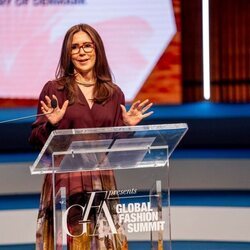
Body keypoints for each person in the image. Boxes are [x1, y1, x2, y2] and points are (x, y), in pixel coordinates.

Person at [29, 23, 153, 250]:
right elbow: (36, 140)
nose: (82, 52)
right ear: (68, 54)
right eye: (75, 47)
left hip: (102, 179)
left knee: (105, 243)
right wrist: (51, 124)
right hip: (67, 181)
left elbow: (115, 149)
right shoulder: (54, 90)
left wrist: (126, 127)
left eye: (87, 45)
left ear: (97, 50)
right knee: (75, 241)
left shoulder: (113, 93)